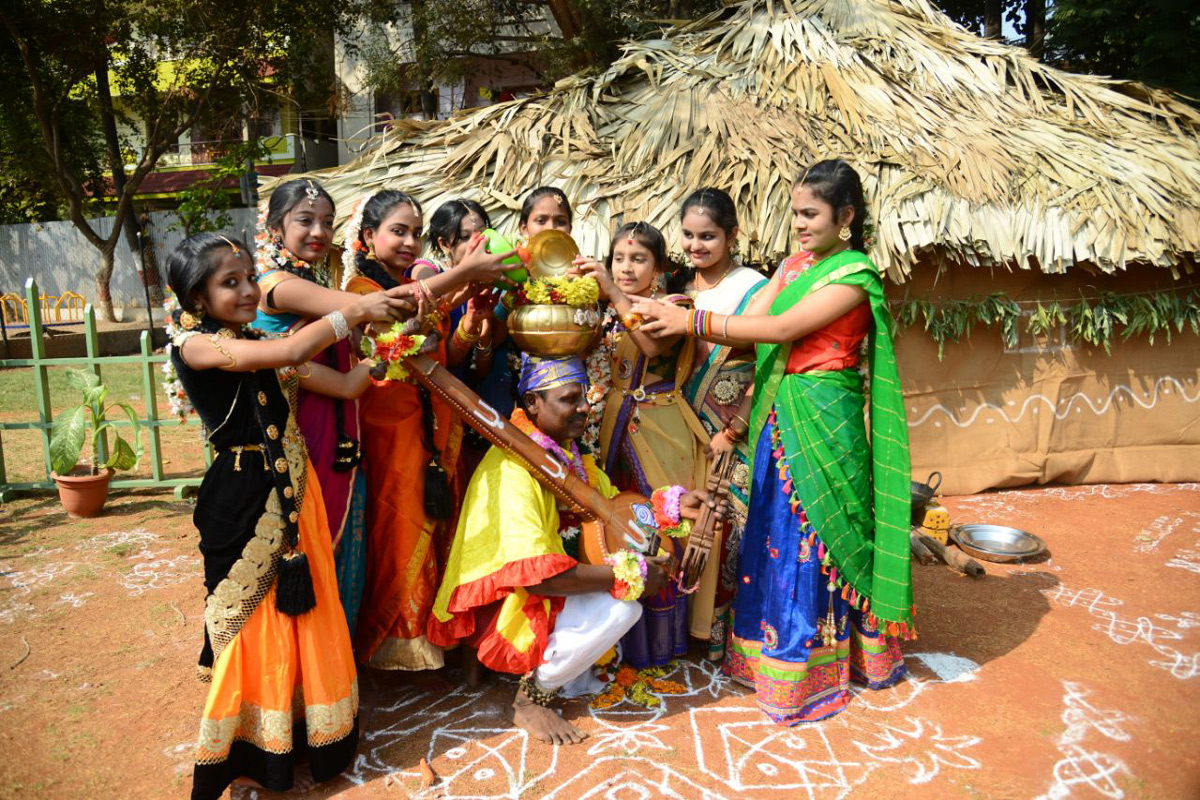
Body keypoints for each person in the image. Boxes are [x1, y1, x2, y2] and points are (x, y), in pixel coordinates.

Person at [632, 159, 914, 725]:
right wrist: (665, 311)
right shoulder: (790, 267)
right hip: (777, 414)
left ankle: (817, 662)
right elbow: (744, 316)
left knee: (821, 530)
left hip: (823, 416)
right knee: (776, 531)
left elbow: (782, 331)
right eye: (795, 214)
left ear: (847, 216)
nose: (800, 225)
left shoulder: (854, 277)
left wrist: (691, 324)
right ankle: (769, 654)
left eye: (811, 214)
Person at [165, 232, 410, 798]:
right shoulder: (196, 347)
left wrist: (384, 358)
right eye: (231, 282)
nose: (250, 290)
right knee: (249, 627)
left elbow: (346, 384)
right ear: (197, 298)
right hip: (242, 501)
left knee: (299, 621)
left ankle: (300, 737)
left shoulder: (252, 340)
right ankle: (248, 757)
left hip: (297, 496)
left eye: (250, 277)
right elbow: (289, 351)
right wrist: (356, 311)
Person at [427, 355, 711, 745]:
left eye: (584, 397)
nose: (584, 407)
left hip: (542, 588)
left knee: (621, 592)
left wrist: (670, 509)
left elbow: (615, 513)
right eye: (569, 399)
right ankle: (529, 703)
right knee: (622, 607)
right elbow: (542, 580)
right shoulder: (513, 469)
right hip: (507, 601)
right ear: (532, 404)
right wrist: (629, 576)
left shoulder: (567, 455)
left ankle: (558, 668)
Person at [341, 189, 514, 674]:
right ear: (369, 236)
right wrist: (465, 276)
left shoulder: (417, 283)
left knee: (440, 521)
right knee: (398, 525)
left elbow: (446, 359)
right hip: (389, 425)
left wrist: (471, 321)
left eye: (415, 233)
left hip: (436, 422)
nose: (409, 241)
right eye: (398, 231)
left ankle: (433, 637)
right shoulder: (360, 289)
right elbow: (397, 314)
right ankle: (396, 641)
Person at [572, 222, 708, 668]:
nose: (626, 268)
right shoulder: (614, 309)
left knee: (663, 522)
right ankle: (621, 637)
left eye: (638, 259)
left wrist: (611, 291)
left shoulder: (675, 306)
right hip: (612, 426)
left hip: (660, 428)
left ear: (660, 267)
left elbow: (649, 342)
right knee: (621, 522)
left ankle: (663, 640)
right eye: (618, 260)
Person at [252, 178, 377, 631]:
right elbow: (366, 309)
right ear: (274, 227)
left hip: (334, 429)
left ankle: (337, 665)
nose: (319, 232)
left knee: (341, 544)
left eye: (327, 221)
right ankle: (311, 670)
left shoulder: (311, 278)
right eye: (305, 220)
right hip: (298, 437)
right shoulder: (278, 285)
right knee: (311, 546)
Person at [672, 188, 767, 660]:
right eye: (688, 235)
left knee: (729, 525)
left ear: (732, 236)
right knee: (688, 520)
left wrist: (734, 431)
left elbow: (768, 365)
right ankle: (682, 629)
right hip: (680, 426)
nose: (696, 245)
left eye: (707, 236)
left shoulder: (756, 288)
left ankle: (727, 636)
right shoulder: (676, 288)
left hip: (730, 430)